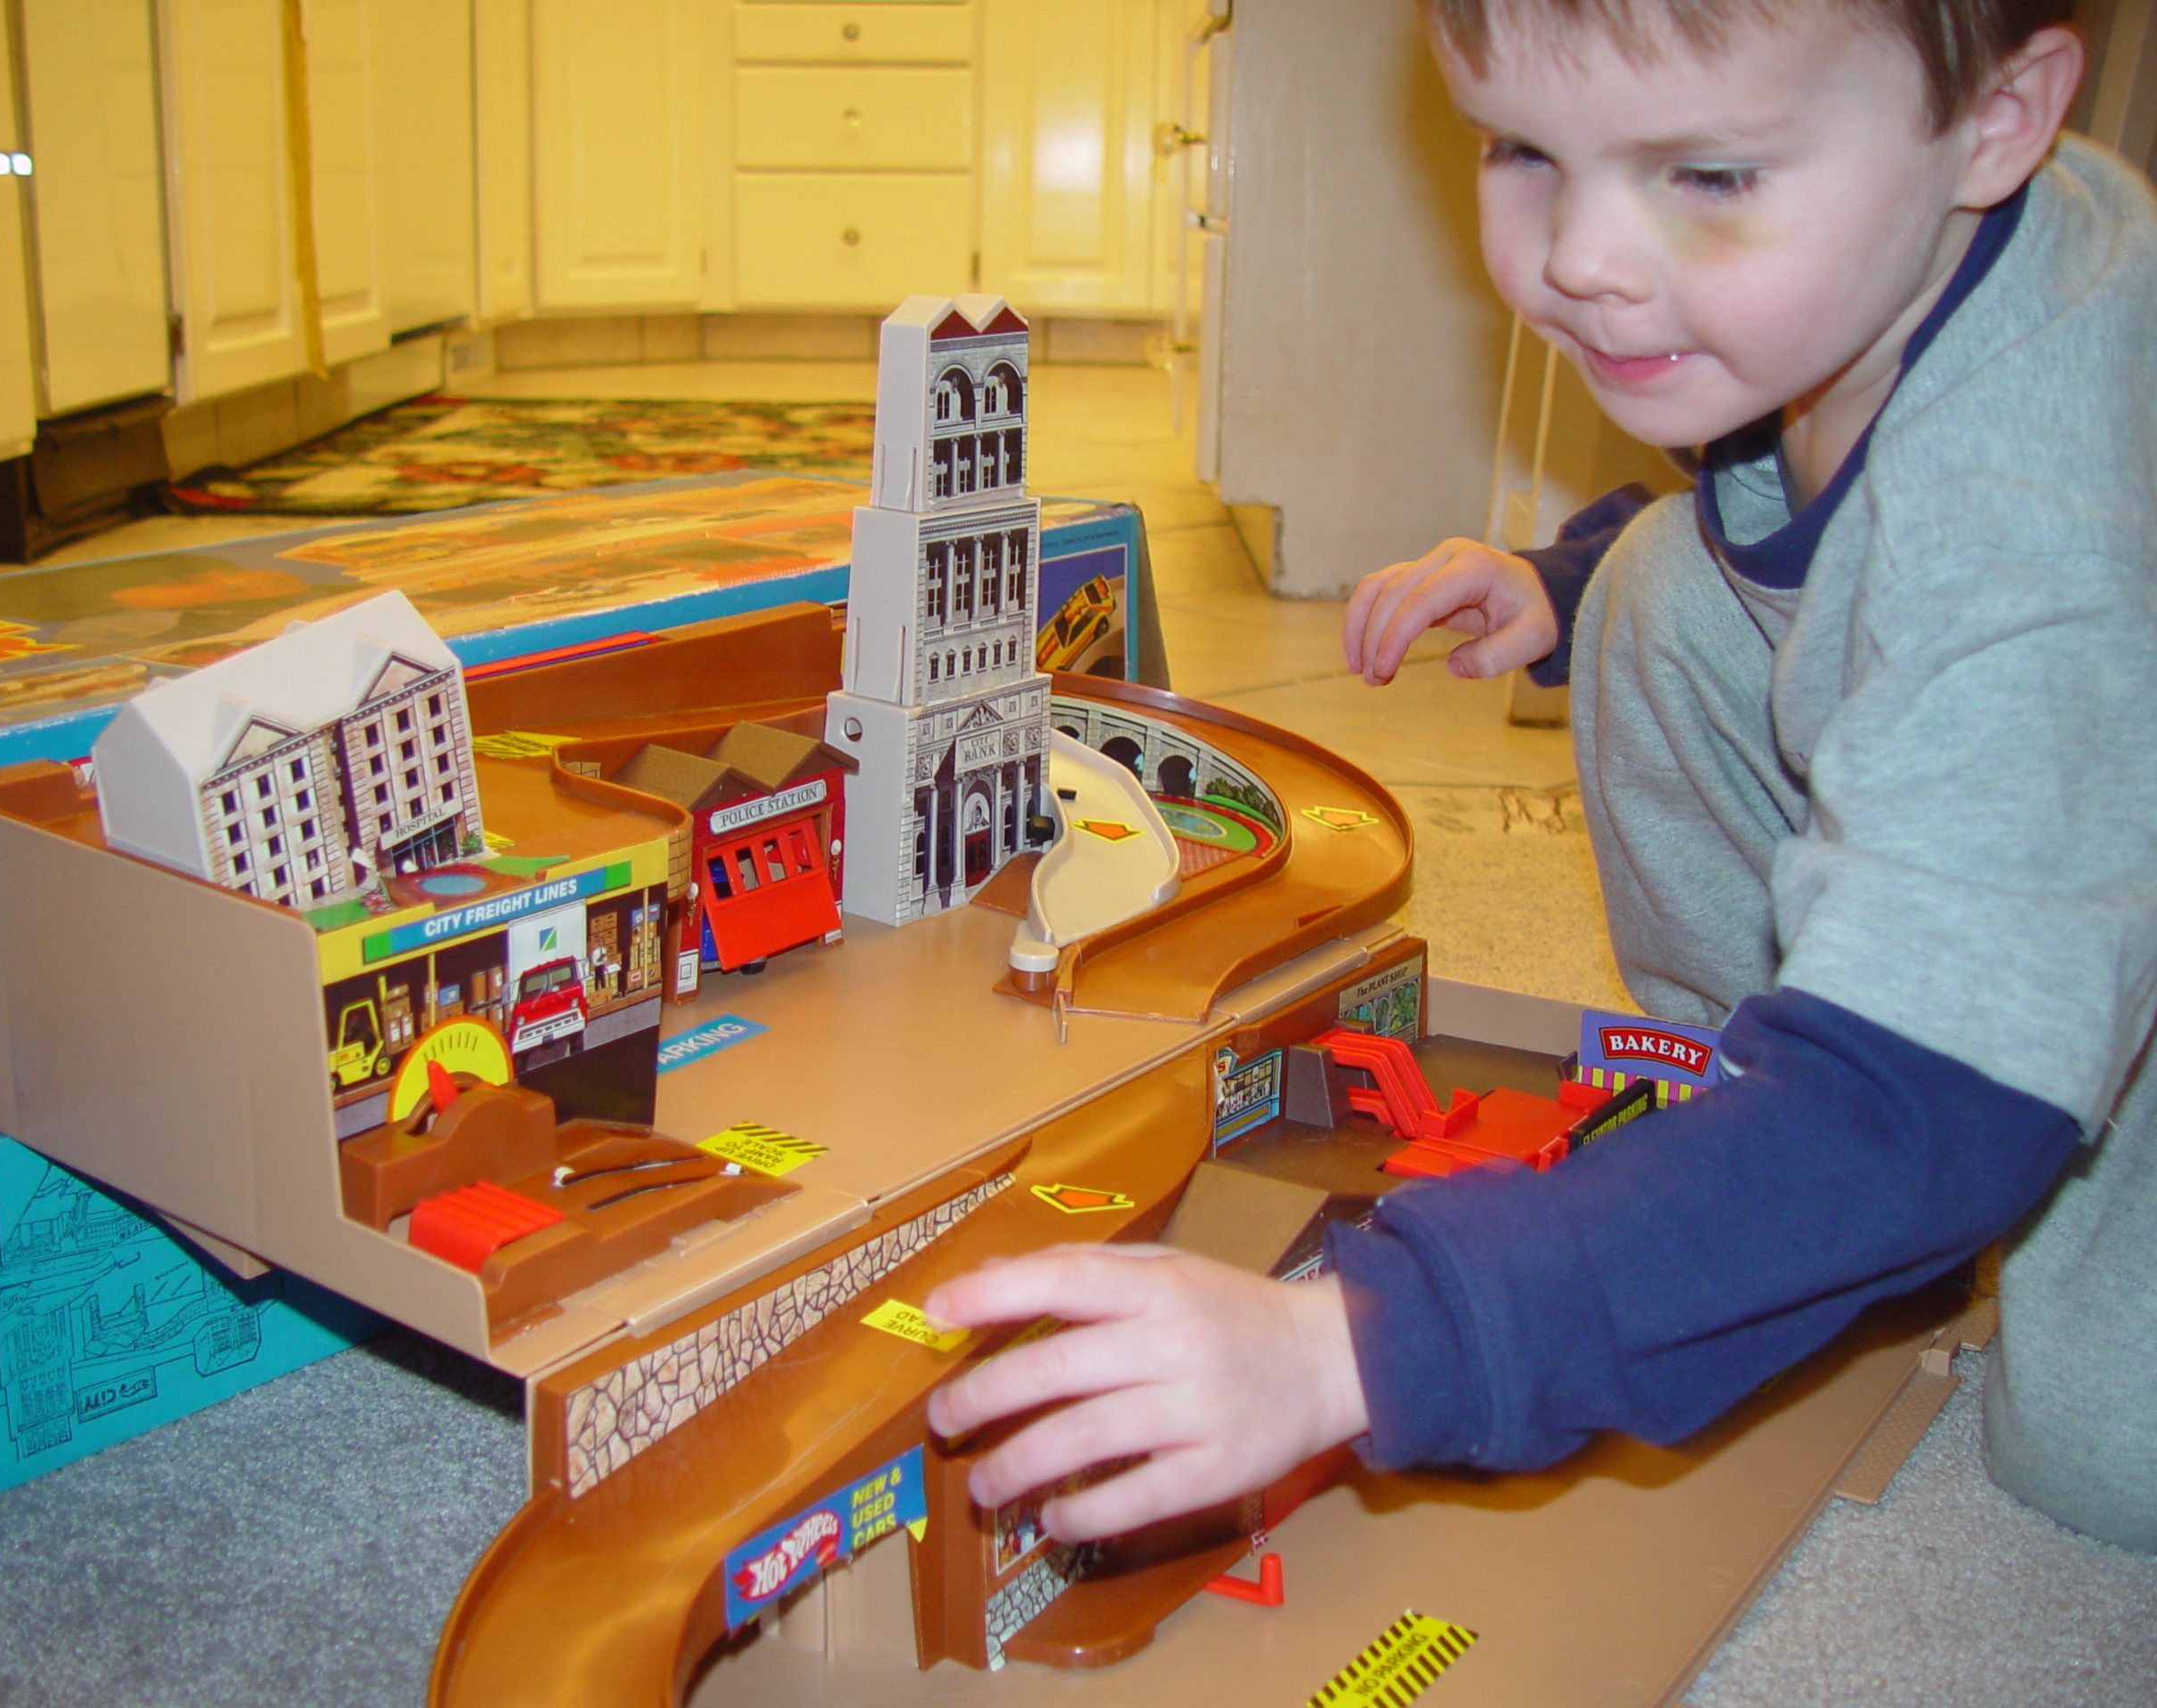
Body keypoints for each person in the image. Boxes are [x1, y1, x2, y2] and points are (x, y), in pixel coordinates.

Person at [923, 0, 2157, 1555]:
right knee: (1662, 573)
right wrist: (1569, 578)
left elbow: (1923, 1114)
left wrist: (1358, 1348)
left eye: (1705, 173)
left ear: (2000, 120)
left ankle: (1781, 1181)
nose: (1579, 255)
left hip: (2095, 840)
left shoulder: (2033, 540)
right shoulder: (1888, 252)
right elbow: (1796, 487)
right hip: (2047, 769)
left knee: (2111, 1455)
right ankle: (1730, 1133)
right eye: (1523, 148)